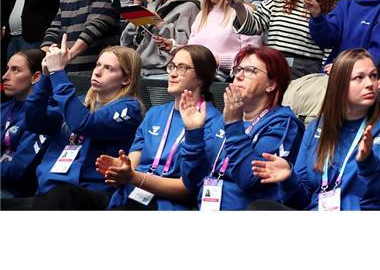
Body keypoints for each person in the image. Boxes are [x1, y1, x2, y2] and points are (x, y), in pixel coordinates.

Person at [248, 49, 380, 211]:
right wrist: (289, 179)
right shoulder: (317, 127)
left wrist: (369, 165)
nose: (370, 84)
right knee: (259, 208)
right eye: (359, 78)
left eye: (373, 76)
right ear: (339, 85)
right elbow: (302, 200)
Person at [1, 44, 143, 210]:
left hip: (88, 195)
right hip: (47, 193)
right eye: (98, 65)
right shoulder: (80, 102)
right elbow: (33, 121)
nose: (97, 72)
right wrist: (47, 76)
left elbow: (82, 123)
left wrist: (58, 72)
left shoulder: (130, 109)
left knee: (63, 195)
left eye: (108, 68)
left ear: (126, 79)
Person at [97, 45, 224, 210]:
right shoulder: (155, 113)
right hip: (130, 196)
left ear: (201, 77)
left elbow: (187, 188)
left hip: (165, 204)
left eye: (182, 67)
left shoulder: (214, 123)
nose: (172, 73)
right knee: (65, 194)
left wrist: (133, 177)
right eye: (172, 66)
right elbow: (132, 165)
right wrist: (121, 169)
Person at [180, 46, 304, 210]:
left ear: (271, 84)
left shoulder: (283, 125)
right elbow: (191, 180)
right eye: (238, 69)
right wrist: (194, 133)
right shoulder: (221, 120)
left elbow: (249, 179)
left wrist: (233, 125)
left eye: (250, 71)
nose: (238, 76)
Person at [233, 0, 338, 78]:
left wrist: (318, 15)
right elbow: (254, 25)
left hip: (308, 70)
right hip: (274, 63)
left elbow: (329, 45)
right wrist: (239, 7)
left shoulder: (332, 6)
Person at [124, 0, 197, 77]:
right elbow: (128, 39)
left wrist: (160, 24)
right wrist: (133, 23)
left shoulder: (189, 7)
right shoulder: (152, 5)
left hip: (165, 72)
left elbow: (186, 45)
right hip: (138, 68)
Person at [185, 0, 259, 75]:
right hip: (197, 74)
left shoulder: (243, 11)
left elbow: (252, 53)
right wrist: (172, 46)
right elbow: (191, 48)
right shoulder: (202, 14)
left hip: (228, 78)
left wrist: (219, 61)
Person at [1, 49, 45, 197]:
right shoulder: (3, 109)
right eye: (7, 69)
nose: (5, 76)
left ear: (36, 77)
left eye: (15, 70)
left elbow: (18, 170)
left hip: (17, 193)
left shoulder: (43, 116)